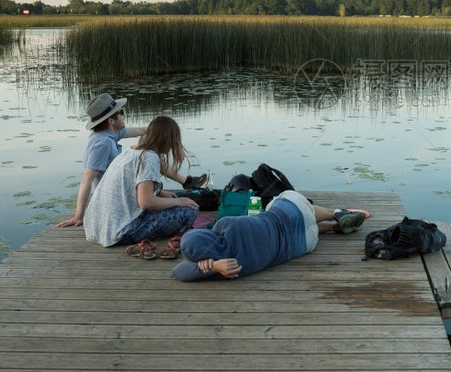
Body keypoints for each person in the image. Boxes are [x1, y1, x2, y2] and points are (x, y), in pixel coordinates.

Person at [57, 93, 207, 228]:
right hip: (116, 201)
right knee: (184, 206)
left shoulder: (109, 134)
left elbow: (144, 131)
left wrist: (161, 128)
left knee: (148, 146)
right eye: (121, 113)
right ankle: (185, 184)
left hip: (125, 191)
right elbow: (86, 180)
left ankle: (186, 182)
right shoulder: (102, 145)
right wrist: (79, 215)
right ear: (110, 120)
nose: (124, 115)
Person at [171, 191, 366, 281]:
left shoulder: (228, 268)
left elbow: (178, 272)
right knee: (281, 202)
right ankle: (336, 213)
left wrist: (212, 266)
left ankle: (331, 228)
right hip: (293, 214)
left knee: (298, 230)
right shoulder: (225, 224)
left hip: (303, 245)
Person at [83, 115, 200, 248]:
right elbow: (145, 202)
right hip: (120, 232)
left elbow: (131, 188)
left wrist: (159, 192)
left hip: (96, 228)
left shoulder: (131, 151)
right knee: (190, 209)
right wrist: (179, 202)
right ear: (167, 139)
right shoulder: (149, 158)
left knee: (178, 200)